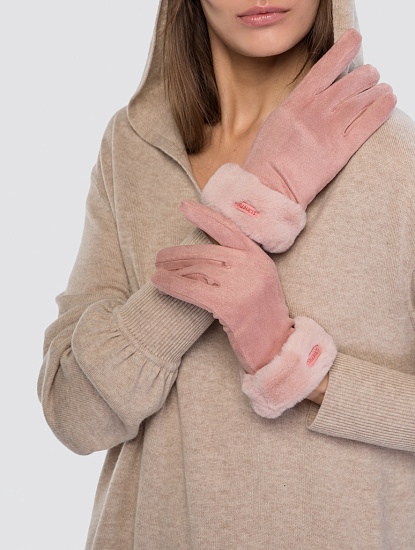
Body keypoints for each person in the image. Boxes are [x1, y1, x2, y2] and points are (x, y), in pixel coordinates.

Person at [37, 0, 415, 548]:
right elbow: (74, 414)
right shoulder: (131, 146)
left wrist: (292, 363)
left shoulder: (399, 161)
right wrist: (257, 201)